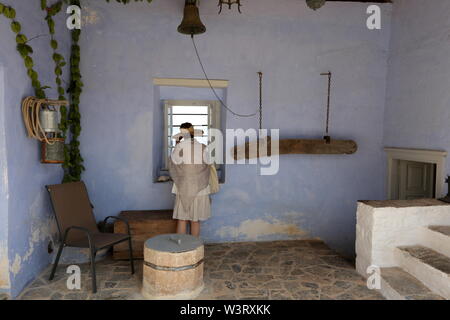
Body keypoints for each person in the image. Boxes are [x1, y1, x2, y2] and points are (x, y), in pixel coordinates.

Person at [169, 122, 211, 237]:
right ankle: (194, 249)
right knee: (195, 220)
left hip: (184, 187)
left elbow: (174, 162)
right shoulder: (203, 147)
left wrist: (177, 144)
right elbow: (208, 164)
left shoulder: (179, 147)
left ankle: (181, 248)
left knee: (182, 219)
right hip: (200, 187)